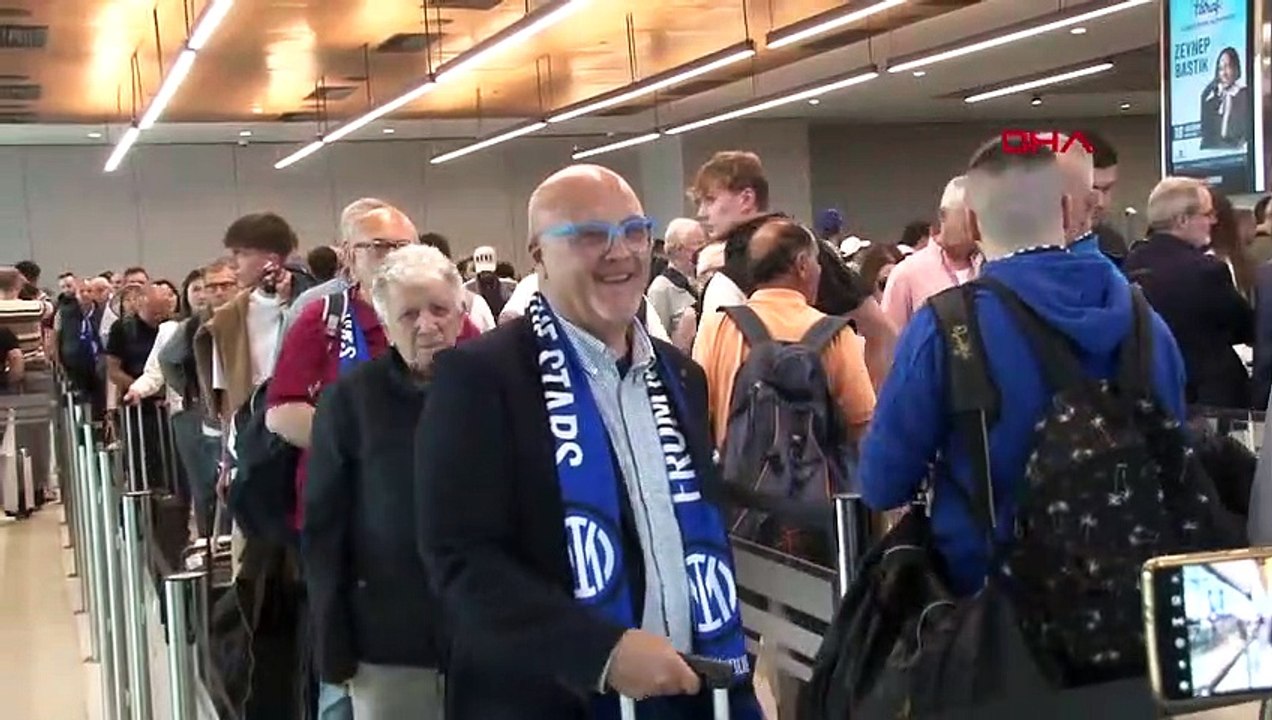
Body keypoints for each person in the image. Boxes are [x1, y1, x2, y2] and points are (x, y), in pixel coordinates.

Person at [416, 164, 760, 719]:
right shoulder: (481, 379)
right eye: (590, 236)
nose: (620, 252)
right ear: (537, 255)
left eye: (633, 231)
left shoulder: (679, 377)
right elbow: (460, 561)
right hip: (555, 699)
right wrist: (600, 653)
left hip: (690, 693)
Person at [859, 137, 1189, 597]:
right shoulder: (1143, 320)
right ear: (1067, 210)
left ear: (972, 221)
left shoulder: (947, 328)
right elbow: (1176, 444)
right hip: (1133, 606)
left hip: (994, 613)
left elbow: (882, 483)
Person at [304, 245, 461, 719]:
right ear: (385, 322)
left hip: (490, 641)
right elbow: (325, 527)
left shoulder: (496, 387)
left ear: (460, 312)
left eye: (439, 309)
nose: (427, 325)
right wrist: (333, 645)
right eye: (409, 314)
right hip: (389, 644)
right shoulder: (349, 402)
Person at [1126, 177, 1253, 408]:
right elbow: (1246, 328)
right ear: (1182, 220)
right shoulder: (1207, 271)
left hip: (1153, 397)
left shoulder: (1129, 265)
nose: (1214, 221)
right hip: (1209, 401)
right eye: (1207, 214)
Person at [880, 176, 981, 330]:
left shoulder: (991, 268)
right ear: (943, 216)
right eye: (967, 217)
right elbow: (889, 343)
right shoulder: (907, 274)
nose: (976, 225)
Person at [646, 218, 706, 352]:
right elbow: (656, 343)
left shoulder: (699, 281)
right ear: (679, 249)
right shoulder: (660, 289)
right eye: (698, 245)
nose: (703, 251)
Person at [1200, 47, 1251, 149]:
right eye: (1220, 69)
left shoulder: (1246, 95)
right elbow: (1205, 140)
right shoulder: (1211, 103)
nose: (1223, 74)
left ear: (1236, 69)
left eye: (1227, 67)